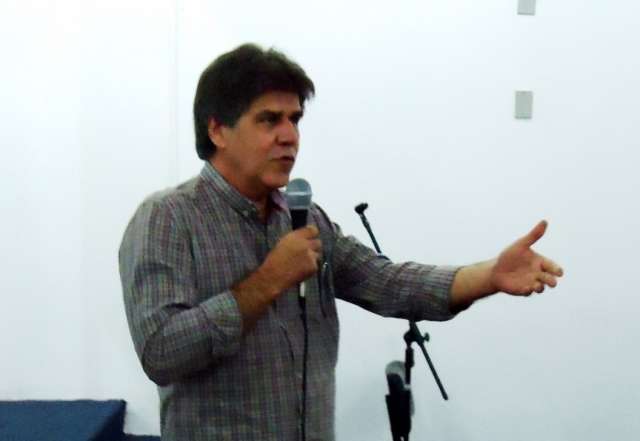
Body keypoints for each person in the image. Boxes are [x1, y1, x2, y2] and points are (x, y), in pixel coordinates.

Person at [118, 43, 564, 441]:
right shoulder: (168, 219)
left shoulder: (305, 219)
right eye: (269, 119)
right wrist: (269, 280)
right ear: (217, 130)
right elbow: (161, 353)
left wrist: (489, 276)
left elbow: (387, 283)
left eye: (295, 119)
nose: (289, 136)